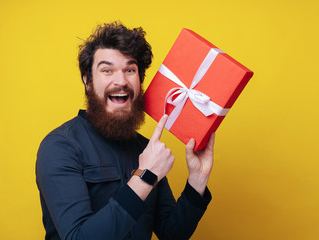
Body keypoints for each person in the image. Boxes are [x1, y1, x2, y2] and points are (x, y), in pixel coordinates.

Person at [36, 22, 215, 240]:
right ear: (88, 81)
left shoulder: (146, 149)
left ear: (140, 81)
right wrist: (145, 176)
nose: (121, 81)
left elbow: (171, 234)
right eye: (107, 70)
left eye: (130, 70)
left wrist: (197, 180)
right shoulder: (60, 146)